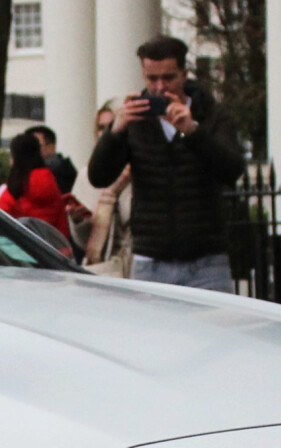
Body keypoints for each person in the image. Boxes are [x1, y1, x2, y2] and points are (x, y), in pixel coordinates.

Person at [85, 35, 245, 291]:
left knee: (212, 331)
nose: (160, 87)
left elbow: (231, 170)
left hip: (206, 261)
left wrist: (193, 131)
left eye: (169, 78)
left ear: (184, 73)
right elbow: (98, 177)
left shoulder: (211, 114)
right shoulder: (135, 120)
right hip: (151, 260)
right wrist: (114, 132)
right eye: (151, 79)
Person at [0, 127, 72, 242]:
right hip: (53, 255)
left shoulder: (10, 191)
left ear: (15, 158)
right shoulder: (54, 188)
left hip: (20, 256)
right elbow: (63, 231)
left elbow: (0, 233)